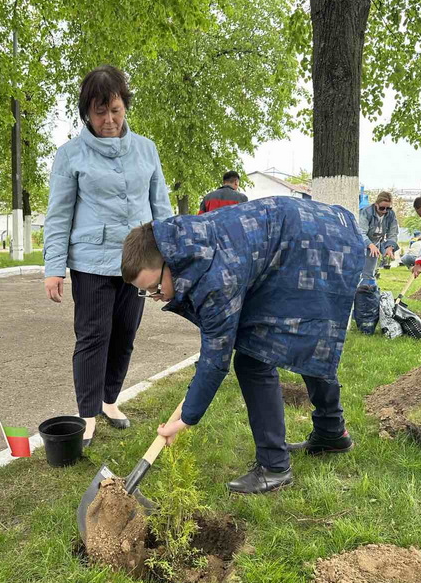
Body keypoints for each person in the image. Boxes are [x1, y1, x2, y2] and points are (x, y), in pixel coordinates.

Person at [121, 197, 364, 495]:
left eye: (154, 288)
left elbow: (216, 357)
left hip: (320, 247)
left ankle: (275, 467)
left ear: (169, 262)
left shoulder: (214, 278)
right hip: (302, 240)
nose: (155, 296)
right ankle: (331, 433)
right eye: (145, 293)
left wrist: (186, 419)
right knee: (312, 340)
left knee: (257, 359)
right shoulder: (185, 239)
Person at [43, 65, 173, 446]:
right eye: (100, 112)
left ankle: (110, 400)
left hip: (141, 265)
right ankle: (87, 414)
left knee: (125, 335)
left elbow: (161, 207)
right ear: (87, 113)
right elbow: (59, 215)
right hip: (91, 263)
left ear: (125, 107)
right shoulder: (69, 155)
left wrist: (171, 257)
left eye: (115, 110)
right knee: (93, 336)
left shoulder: (147, 149)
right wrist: (54, 269)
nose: (109, 120)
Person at [358, 191, 399, 279]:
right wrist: (370, 244)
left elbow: (393, 232)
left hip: (376, 243)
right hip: (361, 244)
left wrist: (390, 246)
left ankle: (366, 288)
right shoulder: (366, 212)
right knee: (357, 271)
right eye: (382, 208)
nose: (384, 211)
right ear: (376, 204)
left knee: (368, 274)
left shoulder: (391, 214)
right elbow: (360, 232)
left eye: (388, 208)